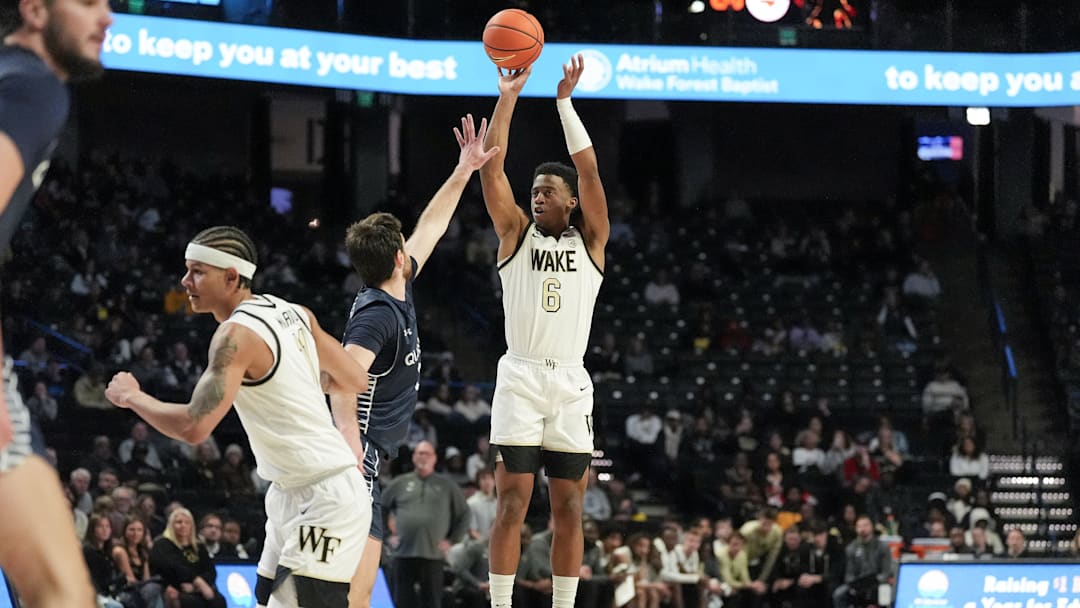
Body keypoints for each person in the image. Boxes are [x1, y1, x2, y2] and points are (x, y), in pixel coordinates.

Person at [104, 225, 371, 607]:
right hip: (287, 492)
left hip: (326, 493)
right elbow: (353, 377)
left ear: (231, 277)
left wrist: (133, 397)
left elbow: (195, 426)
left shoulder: (235, 336)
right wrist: (296, 382)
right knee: (263, 600)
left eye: (197, 271)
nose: (185, 281)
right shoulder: (294, 312)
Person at [329, 113, 496, 608]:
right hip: (354, 466)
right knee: (350, 592)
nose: (412, 247)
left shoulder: (394, 284)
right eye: (406, 247)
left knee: (355, 588)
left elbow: (433, 226)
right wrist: (350, 447)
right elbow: (340, 380)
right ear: (398, 258)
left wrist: (464, 170)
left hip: (368, 464)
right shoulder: (376, 317)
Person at [479, 54, 610, 608]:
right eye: (534, 190)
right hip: (521, 376)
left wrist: (563, 102)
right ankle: (500, 604)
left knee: (570, 509)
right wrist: (508, 98)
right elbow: (491, 168)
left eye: (548, 191)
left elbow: (591, 170)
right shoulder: (514, 234)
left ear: (571, 202)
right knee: (511, 505)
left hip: (570, 383)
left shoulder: (592, 242)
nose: (538, 196)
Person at [1, 1, 112, 606]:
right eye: (90, 2)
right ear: (36, 9)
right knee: (61, 593)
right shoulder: (36, 88)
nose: (109, 16)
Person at [381, 440, 471, 608]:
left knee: (431, 602)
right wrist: (387, 535)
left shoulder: (446, 485)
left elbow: (464, 513)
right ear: (414, 457)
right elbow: (381, 507)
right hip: (403, 553)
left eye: (427, 453)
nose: (423, 457)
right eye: (419, 453)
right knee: (402, 601)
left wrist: (452, 540)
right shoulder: (400, 483)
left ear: (435, 458)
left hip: (433, 554)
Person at [149, 508, 226, 608]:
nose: (183, 525)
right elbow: (174, 567)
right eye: (178, 522)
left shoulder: (198, 546)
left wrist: (196, 586)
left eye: (187, 522)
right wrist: (197, 582)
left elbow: (210, 570)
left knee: (219, 600)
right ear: (171, 525)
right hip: (176, 586)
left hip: (197, 589)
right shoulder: (162, 544)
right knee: (189, 601)